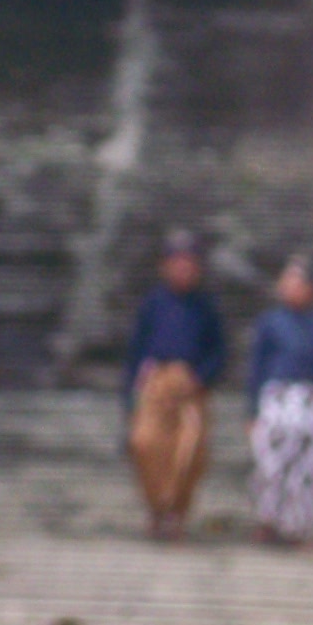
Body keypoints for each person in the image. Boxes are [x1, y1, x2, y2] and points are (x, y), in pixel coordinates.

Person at [124, 230, 227, 539]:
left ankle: (177, 514)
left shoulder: (206, 306)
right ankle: (156, 507)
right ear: (164, 266)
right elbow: (137, 348)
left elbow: (219, 351)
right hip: (155, 384)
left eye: (189, 263)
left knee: (190, 449)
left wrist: (201, 377)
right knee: (144, 443)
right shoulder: (152, 304)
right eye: (176, 262)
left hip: (190, 385)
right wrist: (131, 391)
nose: (183, 269)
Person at [248, 255, 313, 544]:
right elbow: (256, 368)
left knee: (309, 468)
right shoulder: (270, 323)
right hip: (277, 398)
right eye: (288, 280)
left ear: (312, 289)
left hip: (312, 402)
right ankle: (268, 521)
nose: (292, 287)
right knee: (271, 464)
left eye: (299, 282)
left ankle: (299, 528)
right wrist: (251, 410)